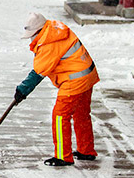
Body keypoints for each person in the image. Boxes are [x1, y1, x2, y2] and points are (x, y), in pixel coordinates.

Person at [13, 12, 99, 166]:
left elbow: (38, 73)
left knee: (60, 116)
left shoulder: (48, 41)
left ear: (39, 31)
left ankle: (63, 156)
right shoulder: (54, 29)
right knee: (81, 114)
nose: (32, 38)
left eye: (32, 35)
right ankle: (86, 150)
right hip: (87, 74)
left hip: (75, 80)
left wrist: (22, 90)